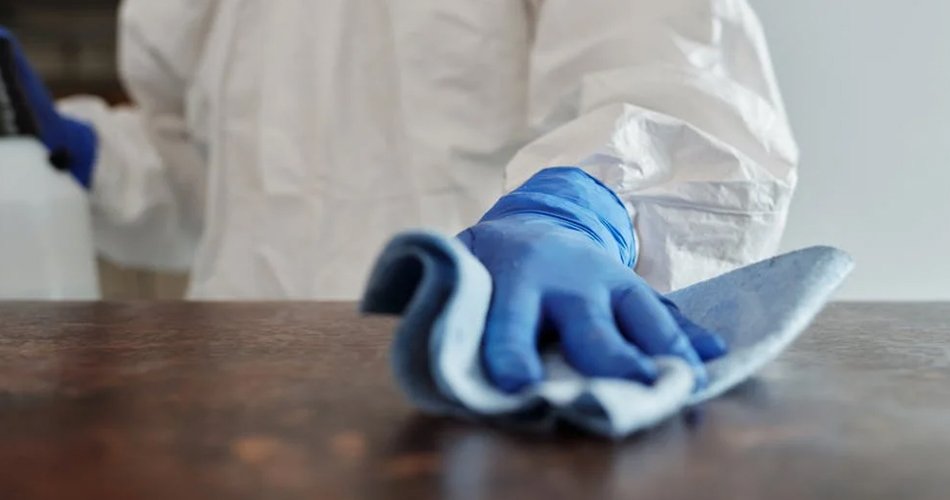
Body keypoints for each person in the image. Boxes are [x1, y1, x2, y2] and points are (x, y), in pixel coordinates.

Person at [0, 0, 797, 392]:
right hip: (238, 393)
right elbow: (202, 184)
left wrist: (585, 204)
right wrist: (96, 154)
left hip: (486, 370)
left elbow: (682, 78)